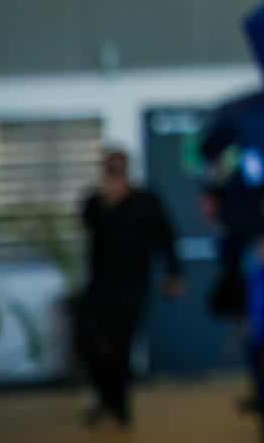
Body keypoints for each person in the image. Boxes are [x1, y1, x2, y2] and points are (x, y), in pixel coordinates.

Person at [77, 147, 183, 426]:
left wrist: (174, 273)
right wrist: (106, 200)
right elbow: (87, 224)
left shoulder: (146, 200)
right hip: (99, 285)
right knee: (90, 341)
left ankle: (120, 405)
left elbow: (167, 237)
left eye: (117, 164)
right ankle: (105, 397)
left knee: (121, 345)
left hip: (133, 285)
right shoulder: (93, 200)